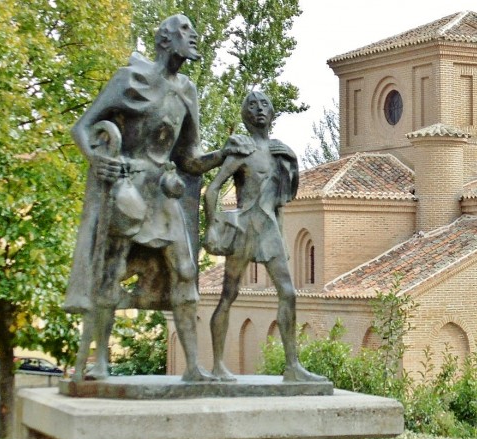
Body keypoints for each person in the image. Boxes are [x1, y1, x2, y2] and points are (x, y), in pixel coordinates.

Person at [65, 14, 241, 382]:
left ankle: (193, 367)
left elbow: (189, 160)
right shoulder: (130, 78)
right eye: (184, 31)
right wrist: (98, 159)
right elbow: (82, 127)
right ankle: (99, 363)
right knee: (112, 273)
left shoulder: (187, 90)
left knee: (187, 270)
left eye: (194, 30)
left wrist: (223, 154)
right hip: (126, 190)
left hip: (162, 192)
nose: (193, 36)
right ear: (164, 40)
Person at [204, 91, 326, 382]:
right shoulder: (242, 150)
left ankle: (292, 366)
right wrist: (211, 226)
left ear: (272, 113)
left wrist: (293, 161)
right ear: (246, 115)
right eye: (252, 106)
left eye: (264, 105)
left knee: (288, 293)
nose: (259, 110)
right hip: (245, 229)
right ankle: (218, 365)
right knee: (228, 295)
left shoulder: (279, 151)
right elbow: (212, 190)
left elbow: (281, 200)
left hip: (270, 229)